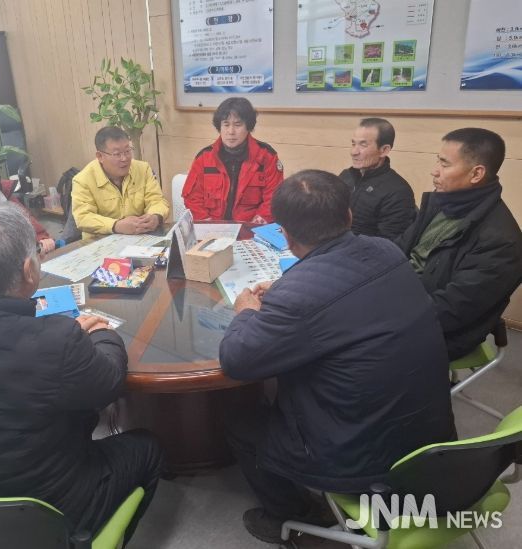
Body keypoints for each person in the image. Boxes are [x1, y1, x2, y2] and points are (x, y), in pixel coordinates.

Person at [219, 170, 455, 544]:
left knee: (239, 419)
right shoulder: (388, 252)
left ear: (285, 234)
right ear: (348, 215)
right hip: (430, 441)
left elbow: (236, 360)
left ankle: (293, 517)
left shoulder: (298, 296)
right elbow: (343, 293)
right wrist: (288, 286)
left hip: (364, 463)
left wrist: (246, 311)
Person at [0, 202, 163, 542]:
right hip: (42, 516)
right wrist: (101, 333)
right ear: (29, 269)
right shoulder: (55, 341)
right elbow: (110, 382)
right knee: (148, 447)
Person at [395, 128, 522, 360]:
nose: (435, 171)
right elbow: (398, 250)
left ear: (476, 174)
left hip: (438, 332)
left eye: (444, 164)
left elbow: (451, 310)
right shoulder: (442, 204)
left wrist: (384, 313)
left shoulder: (502, 241)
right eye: (438, 160)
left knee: (348, 348)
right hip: (401, 301)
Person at [182, 97, 284, 223]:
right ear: (219, 127)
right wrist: (208, 223)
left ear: (248, 127)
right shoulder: (204, 158)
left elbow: (274, 198)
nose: (231, 131)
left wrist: (257, 222)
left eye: (237, 125)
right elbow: (193, 198)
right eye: (226, 124)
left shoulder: (267, 157)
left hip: (251, 228)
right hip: (211, 228)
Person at [71, 126, 170, 240]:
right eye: (117, 154)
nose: (124, 158)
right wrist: (116, 226)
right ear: (100, 156)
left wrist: (155, 216)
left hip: (140, 238)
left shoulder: (143, 169)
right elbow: (83, 218)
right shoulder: (83, 180)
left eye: (127, 151)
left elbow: (157, 200)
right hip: (101, 242)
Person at [338, 118, 416, 239]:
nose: (353, 152)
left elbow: (388, 244)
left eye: (363, 145)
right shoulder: (346, 176)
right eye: (353, 144)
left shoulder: (398, 191)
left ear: (384, 150)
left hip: (362, 249)